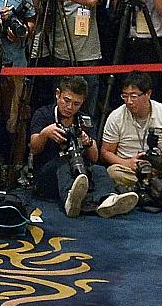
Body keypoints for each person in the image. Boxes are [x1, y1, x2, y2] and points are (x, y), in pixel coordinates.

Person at [28, 77, 138, 218]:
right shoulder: (43, 114)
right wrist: (45, 134)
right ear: (57, 94)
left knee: (98, 169)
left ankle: (107, 199)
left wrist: (88, 142)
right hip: (47, 176)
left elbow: (94, 157)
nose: (69, 107)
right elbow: (34, 149)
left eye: (76, 104)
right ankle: (71, 197)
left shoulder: (84, 120)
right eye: (66, 101)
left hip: (79, 174)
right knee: (62, 161)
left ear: (82, 102)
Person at [99, 72, 162, 190]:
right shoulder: (115, 117)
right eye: (125, 96)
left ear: (148, 94)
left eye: (134, 96)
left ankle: (147, 188)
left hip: (161, 169)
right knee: (113, 172)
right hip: (130, 170)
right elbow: (106, 152)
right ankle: (159, 188)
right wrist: (127, 163)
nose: (129, 101)